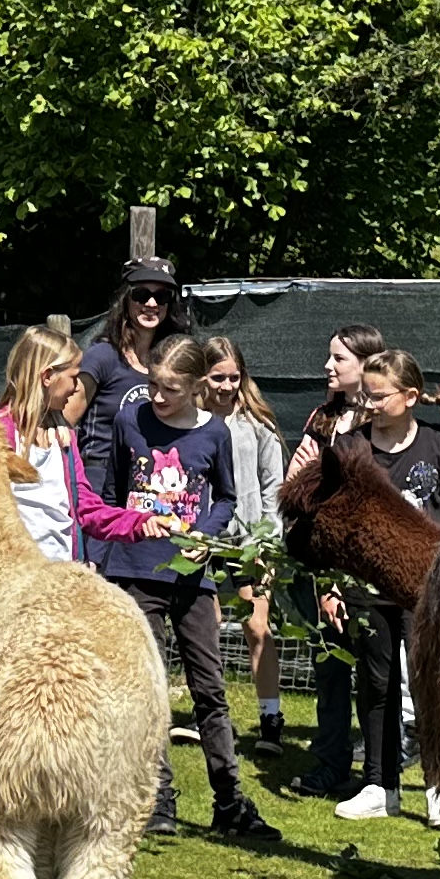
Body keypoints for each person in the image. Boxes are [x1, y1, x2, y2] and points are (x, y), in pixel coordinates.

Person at [87, 332, 253, 840]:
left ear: (199, 385)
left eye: (171, 390)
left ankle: (229, 799)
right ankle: (159, 799)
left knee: (210, 689)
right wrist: (104, 556)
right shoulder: (129, 421)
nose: (158, 398)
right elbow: (111, 495)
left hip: (192, 576)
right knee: (149, 692)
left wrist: (204, 536)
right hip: (136, 573)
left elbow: (225, 498)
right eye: (154, 386)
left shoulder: (215, 434)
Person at [324, 347, 440, 824]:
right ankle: (381, 784)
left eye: (379, 397)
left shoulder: (439, 442)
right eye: (365, 395)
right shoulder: (353, 446)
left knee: (432, 686)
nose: (370, 404)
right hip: (366, 587)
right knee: (376, 684)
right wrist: (331, 585)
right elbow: (332, 518)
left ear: (411, 396)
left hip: (426, 588)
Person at [204, 344, 291, 748]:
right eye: (217, 377)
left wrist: (267, 538)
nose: (225, 386)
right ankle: (212, 717)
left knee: (256, 625)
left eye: (233, 377)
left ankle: (271, 718)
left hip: (251, 539)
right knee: (205, 627)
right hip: (203, 539)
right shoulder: (191, 419)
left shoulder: (257, 423)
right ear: (202, 376)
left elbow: (274, 484)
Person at [0, 325, 100, 561]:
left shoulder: (63, 437)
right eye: (73, 377)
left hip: (61, 575)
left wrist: (139, 523)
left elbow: (85, 506)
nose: (76, 388)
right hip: (15, 575)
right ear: (48, 376)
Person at [78, 254, 183, 410]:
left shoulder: (175, 360)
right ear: (125, 299)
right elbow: (66, 420)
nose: (152, 304)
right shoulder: (102, 356)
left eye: (161, 296)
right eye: (142, 295)